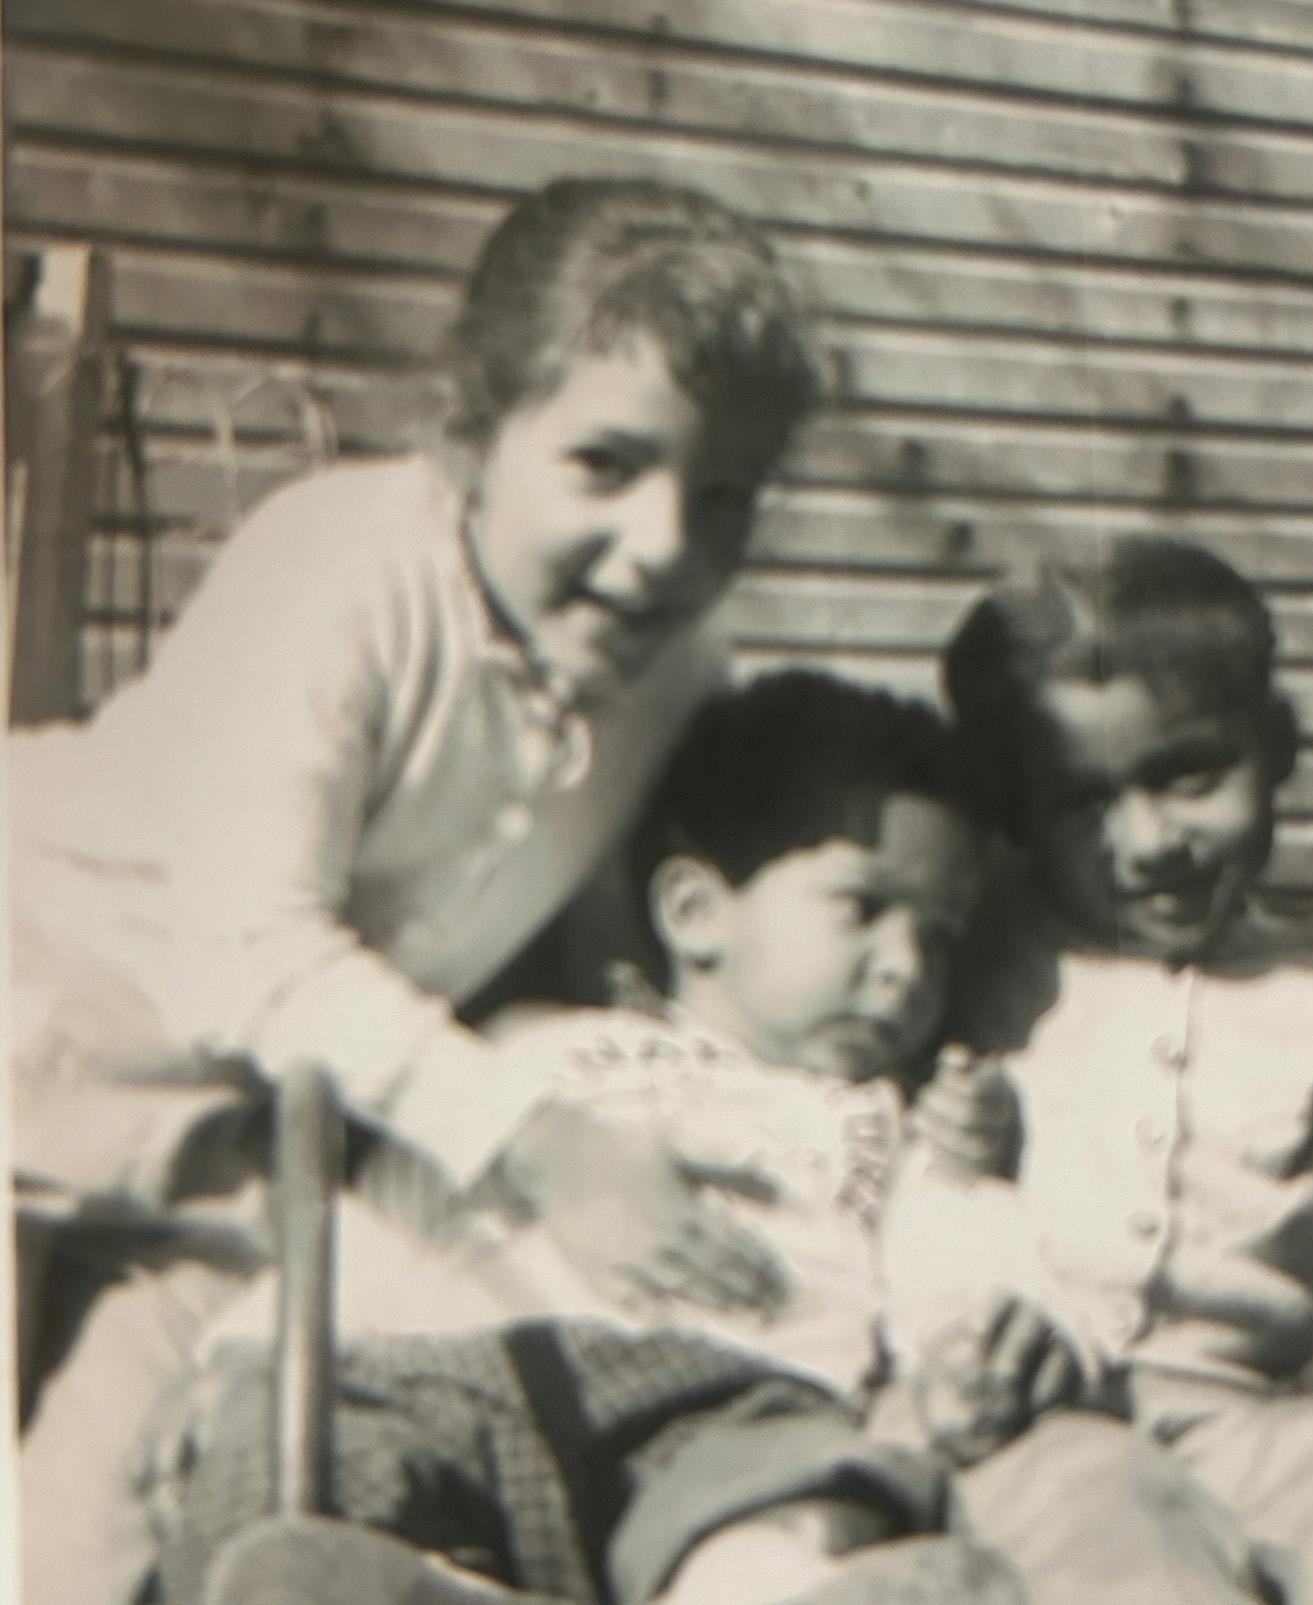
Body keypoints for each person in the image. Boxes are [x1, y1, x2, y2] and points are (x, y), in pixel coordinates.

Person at [11, 175, 820, 1605]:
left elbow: (597, 946)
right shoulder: (343, 568)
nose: (665, 545)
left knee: (118, 1535)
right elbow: (247, 947)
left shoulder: (676, 665)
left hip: (254, 1157)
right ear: (469, 429)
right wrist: (533, 1136)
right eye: (604, 466)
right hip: (39, 1024)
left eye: (724, 496)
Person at [145, 669, 1041, 1605]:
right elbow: (390, 1214)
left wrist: (966, 1341)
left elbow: (951, 1253)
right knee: (319, 1460)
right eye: (863, 908)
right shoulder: (540, 1051)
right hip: (481, 1373)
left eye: (940, 938)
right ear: (696, 913)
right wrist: (243, 1355)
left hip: (735, 1404)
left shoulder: (884, 1122)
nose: (906, 968)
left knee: (797, 1499)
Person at [930, 534, 1313, 1603]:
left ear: (1276, 746)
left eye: (1186, 776)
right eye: (1082, 802)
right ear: (1017, 812)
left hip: (1255, 1414)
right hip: (1036, 1420)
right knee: (1124, 1553)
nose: (1148, 841)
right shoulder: (975, 949)